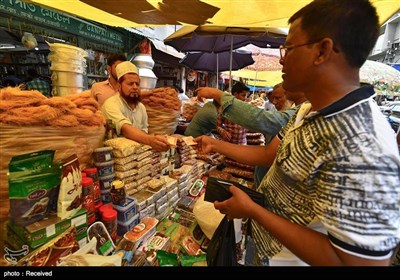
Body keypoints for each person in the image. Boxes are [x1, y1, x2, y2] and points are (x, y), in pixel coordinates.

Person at [195, 0, 400, 266]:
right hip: (265, 248)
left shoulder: (362, 144)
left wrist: (253, 210)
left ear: (322, 51)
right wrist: (215, 144)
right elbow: (270, 154)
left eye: (289, 48)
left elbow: (361, 263)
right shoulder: (308, 109)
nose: (282, 59)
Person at [196, 84, 306, 187]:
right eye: (273, 98)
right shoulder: (300, 113)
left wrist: (218, 94)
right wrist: (214, 144)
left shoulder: (302, 115)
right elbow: (267, 153)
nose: (274, 102)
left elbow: (264, 121)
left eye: (279, 97)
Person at [101, 61, 169, 152]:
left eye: (137, 84)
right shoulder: (111, 104)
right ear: (119, 86)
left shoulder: (141, 107)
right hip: (118, 159)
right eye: (130, 84)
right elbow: (125, 129)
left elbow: (144, 132)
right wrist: (150, 140)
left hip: (138, 158)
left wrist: (156, 139)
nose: (135, 87)